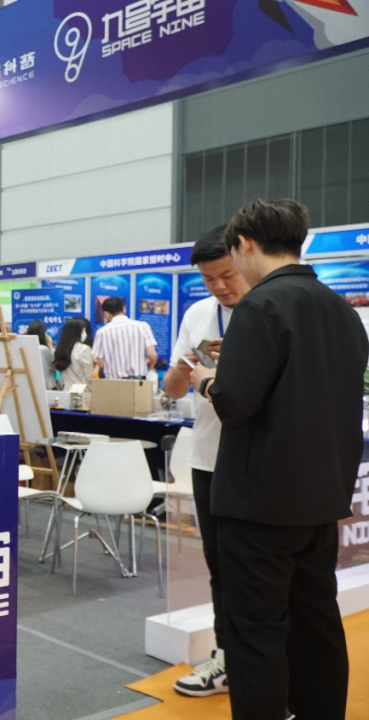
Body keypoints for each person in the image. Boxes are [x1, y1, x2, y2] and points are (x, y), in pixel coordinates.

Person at [189, 199, 368, 720]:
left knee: (256, 634)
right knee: (317, 624)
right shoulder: (341, 309)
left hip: (260, 503)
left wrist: (207, 381)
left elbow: (235, 403)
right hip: (322, 498)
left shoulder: (260, 306)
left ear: (244, 244)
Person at [162, 226, 252, 698]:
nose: (219, 286)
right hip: (208, 457)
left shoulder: (267, 308)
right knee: (220, 565)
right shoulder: (198, 314)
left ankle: (263, 664)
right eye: (208, 279)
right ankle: (227, 658)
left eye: (226, 275)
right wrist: (189, 364)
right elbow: (172, 389)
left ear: (245, 259)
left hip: (259, 460)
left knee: (258, 570)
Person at [91, 297, 157, 379]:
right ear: (124, 309)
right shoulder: (142, 326)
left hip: (113, 381)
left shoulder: (102, 332)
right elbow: (152, 354)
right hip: (138, 380)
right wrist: (151, 365)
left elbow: (100, 361)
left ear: (106, 314)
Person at [52, 317, 94, 390]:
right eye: (84, 331)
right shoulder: (84, 349)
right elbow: (90, 377)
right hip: (82, 391)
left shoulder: (61, 349)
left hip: (67, 390)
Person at [26, 320, 56, 390]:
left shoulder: (25, 348)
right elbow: (54, 364)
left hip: (29, 385)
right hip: (45, 386)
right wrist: (51, 346)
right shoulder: (43, 349)